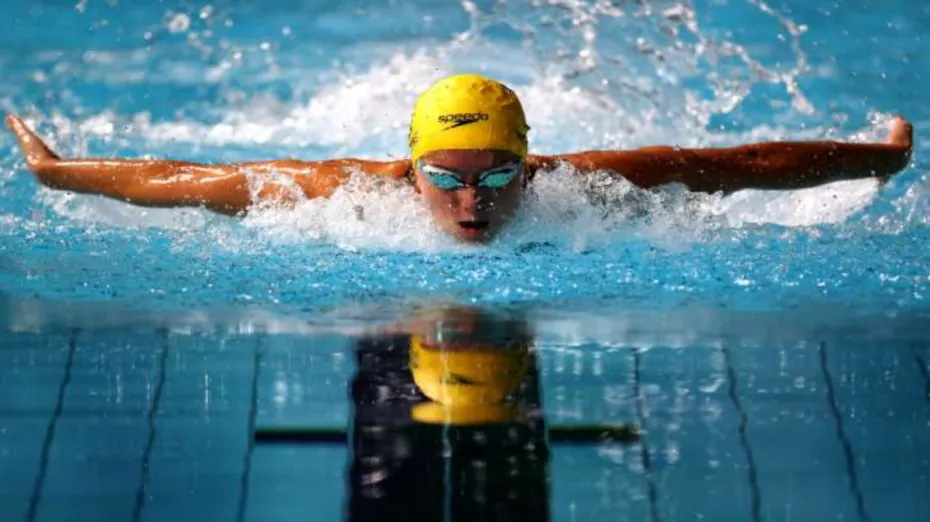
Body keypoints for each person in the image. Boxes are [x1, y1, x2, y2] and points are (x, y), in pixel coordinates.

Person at [5, 73, 913, 242]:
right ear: (409, 170)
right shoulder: (347, 195)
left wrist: (877, 162)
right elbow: (189, 180)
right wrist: (57, 172)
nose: (470, 200)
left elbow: (742, 163)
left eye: (496, 176)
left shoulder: (586, 185)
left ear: (531, 163)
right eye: (444, 177)